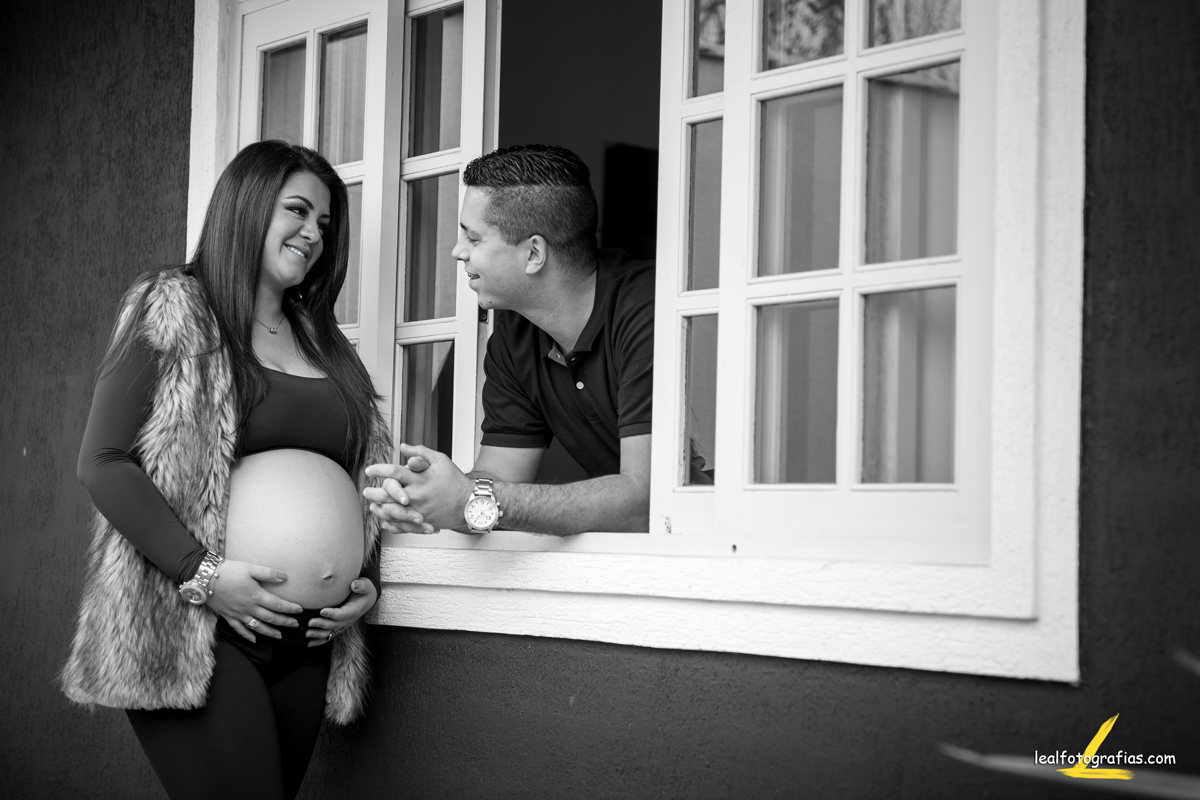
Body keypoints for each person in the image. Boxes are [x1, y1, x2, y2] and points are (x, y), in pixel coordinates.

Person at [62, 140, 391, 800]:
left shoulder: (323, 341)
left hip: (307, 640)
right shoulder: (175, 307)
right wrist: (205, 575)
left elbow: (360, 479)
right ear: (248, 206)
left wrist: (364, 584)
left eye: (325, 223)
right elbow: (103, 461)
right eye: (297, 210)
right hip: (198, 628)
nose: (313, 234)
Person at [364, 144, 654, 535]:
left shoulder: (647, 312)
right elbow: (498, 477)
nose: (457, 251)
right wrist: (427, 498)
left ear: (534, 254)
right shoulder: (516, 331)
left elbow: (644, 501)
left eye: (474, 238)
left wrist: (469, 501)